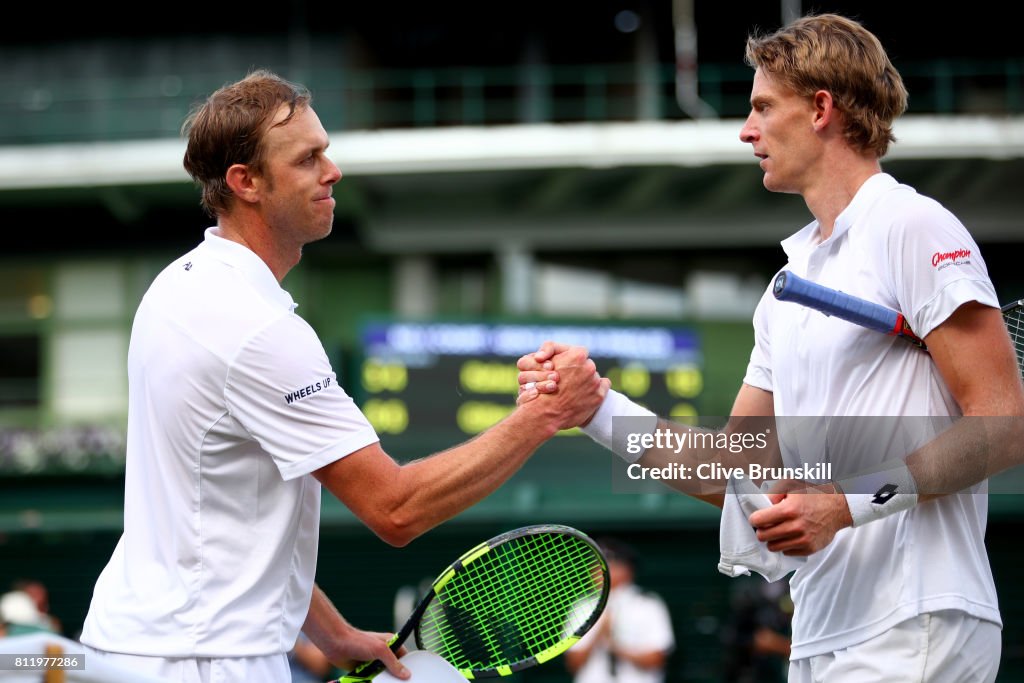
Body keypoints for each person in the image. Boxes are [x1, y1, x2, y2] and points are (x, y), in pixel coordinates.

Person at [518, 13, 1024, 683]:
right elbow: (732, 470)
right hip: (820, 632)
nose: (746, 129)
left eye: (761, 107)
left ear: (820, 109)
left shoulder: (913, 224)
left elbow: (1003, 423)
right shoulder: (789, 286)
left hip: (916, 620)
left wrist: (842, 503)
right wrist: (597, 408)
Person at [77, 69, 608, 682]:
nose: (332, 172)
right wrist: (543, 414)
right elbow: (396, 509)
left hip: (137, 647)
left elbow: (228, 522)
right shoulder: (258, 330)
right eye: (308, 159)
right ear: (245, 183)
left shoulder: (176, 287)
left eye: (325, 151)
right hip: (205, 662)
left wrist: (332, 633)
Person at [565, 538, 674, 683]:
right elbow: (573, 662)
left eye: (611, 562)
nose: (600, 569)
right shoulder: (582, 605)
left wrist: (616, 646)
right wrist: (600, 631)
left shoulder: (648, 604)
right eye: (596, 563)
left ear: (627, 569)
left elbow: (656, 659)